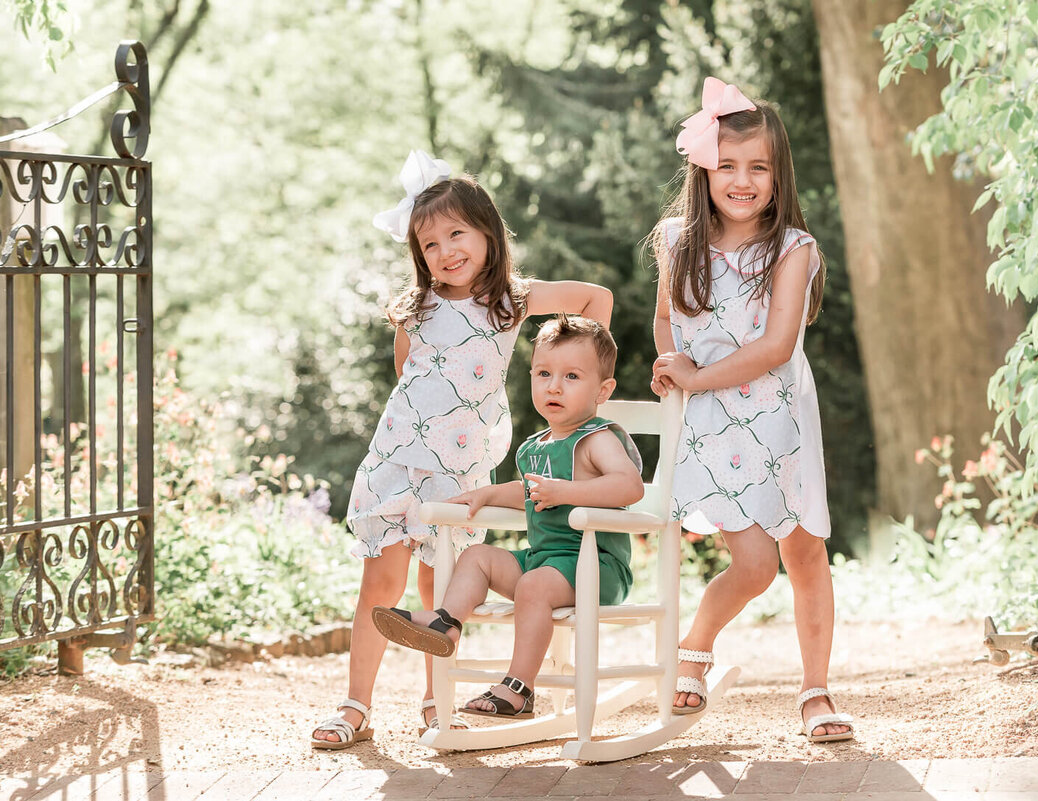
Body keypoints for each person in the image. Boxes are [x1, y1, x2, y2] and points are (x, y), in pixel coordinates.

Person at [311, 152, 614, 749]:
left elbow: (595, 298)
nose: (446, 251)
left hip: (459, 465)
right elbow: (408, 374)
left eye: (457, 233)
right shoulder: (416, 308)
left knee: (438, 587)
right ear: (418, 256)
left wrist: (580, 381)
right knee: (381, 583)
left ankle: (436, 700)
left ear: (487, 233)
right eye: (429, 244)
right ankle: (355, 705)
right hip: (399, 457)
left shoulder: (512, 300)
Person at [649, 78, 854, 742]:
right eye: (727, 165)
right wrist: (671, 365)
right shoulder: (676, 241)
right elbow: (665, 321)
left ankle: (816, 690)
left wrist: (698, 373)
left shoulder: (792, 249)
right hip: (707, 422)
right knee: (754, 562)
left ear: (777, 173)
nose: (743, 180)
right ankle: (696, 645)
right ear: (703, 169)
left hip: (776, 416)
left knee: (802, 551)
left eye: (758, 166)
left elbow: (773, 346)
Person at [371, 316, 643, 719]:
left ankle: (518, 687)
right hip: (545, 563)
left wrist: (568, 493)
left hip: (596, 565)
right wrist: (486, 494)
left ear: (602, 390)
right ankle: (445, 622)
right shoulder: (534, 447)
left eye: (571, 376)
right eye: (544, 373)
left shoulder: (596, 438)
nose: (554, 386)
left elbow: (629, 487)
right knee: (476, 557)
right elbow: (528, 493)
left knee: (533, 585)